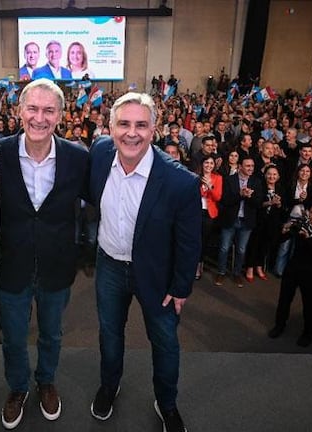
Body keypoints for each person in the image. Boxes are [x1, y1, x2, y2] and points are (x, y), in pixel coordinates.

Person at [88, 92, 200, 432]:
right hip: (108, 265)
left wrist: (181, 287)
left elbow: (190, 242)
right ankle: (110, 386)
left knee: (165, 344)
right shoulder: (99, 154)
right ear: (110, 128)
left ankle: (166, 403)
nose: (131, 133)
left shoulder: (181, 181)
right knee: (109, 335)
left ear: (154, 130)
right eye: (123, 124)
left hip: (157, 276)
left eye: (141, 125)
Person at [0, 79, 88, 429]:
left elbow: (108, 193)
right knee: (14, 337)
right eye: (32, 108)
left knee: (52, 333)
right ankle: (18, 387)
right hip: (12, 265)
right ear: (19, 111)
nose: (39, 117)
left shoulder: (77, 157)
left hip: (57, 266)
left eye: (49, 110)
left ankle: (45, 381)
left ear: (61, 115)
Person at [268, 202, 312, 347]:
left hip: (311, 273)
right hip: (293, 268)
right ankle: (279, 325)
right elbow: (283, 238)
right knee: (284, 299)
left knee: (309, 305)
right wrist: (283, 231)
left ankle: (308, 333)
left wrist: (307, 238)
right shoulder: (301, 225)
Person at [215, 155, 263, 287]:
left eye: (252, 166)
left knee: (241, 250)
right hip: (230, 219)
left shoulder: (257, 181)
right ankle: (221, 272)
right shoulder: (229, 180)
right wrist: (240, 195)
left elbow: (258, 203)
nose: (250, 168)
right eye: (247, 166)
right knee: (224, 248)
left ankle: (236, 274)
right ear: (240, 166)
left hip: (246, 221)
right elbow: (225, 200)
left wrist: (248, 197)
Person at [195, 154, 222, 280]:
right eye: (206, 163)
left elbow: (217, 197)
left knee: (203, 241)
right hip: (195, 212)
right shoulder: (195, 176)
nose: (209, 166)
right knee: (194, 240)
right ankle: (193, 264)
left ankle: (200, 264)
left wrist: (210, 186)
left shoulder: (217, 178)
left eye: (211, 163)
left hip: (209, 214)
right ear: (202, 164)